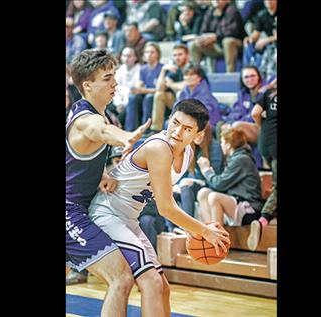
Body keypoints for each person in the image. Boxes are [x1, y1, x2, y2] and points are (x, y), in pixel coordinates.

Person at [88, 98, 230, 317]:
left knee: (162, 287)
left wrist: (196, 229)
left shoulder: (188, 154)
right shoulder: (159, 147)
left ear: (198, 136)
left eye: (187, 129)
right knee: (151, 281)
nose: (177, 131)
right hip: (107, 213)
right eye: (175, 123)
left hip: (128, 219)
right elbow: (165, 207)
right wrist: (203, 230)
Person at [66, 48, 152, 317]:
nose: (114, 82)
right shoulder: (87, 120)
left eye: (114, 75)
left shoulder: (82, 112)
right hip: (70, 213)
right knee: (122, 278)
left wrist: (100, 172)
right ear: (87, 85)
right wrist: (125, 136)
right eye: (107, 78)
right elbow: (100, 131)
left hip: (77, 209)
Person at [196, 126, 263, 227]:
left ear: (228, 144)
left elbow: (219, 184)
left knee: (214, 197)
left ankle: (218, 238)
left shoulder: (241, 159)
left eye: (222, 142)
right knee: (203, 193)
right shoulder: (235, 158)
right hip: (236, 202)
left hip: (250, 209)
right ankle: (210, 233)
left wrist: (206, 170)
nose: (221, 145)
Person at [247, 83, 277, 251]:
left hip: (265, 141)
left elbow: (255, 113)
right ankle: (263, 220)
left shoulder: (269, 92)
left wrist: (261, 126)